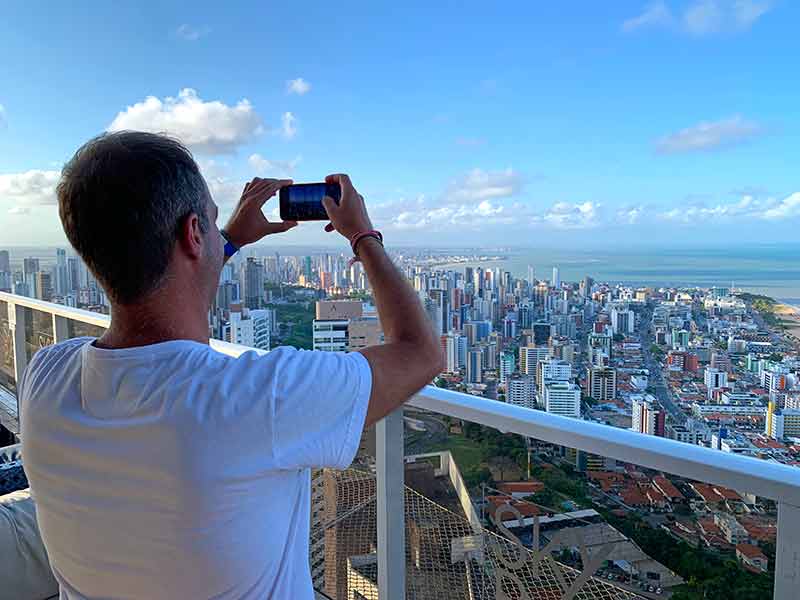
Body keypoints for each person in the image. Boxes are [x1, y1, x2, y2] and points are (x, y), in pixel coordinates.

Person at [19, 131, 443, 599]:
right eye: (211, 223)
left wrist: (228, 237)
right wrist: (363, 235)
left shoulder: (46, 378)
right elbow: (419, 352)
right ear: (193, 234)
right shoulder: (258, 397)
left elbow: (165, 293)